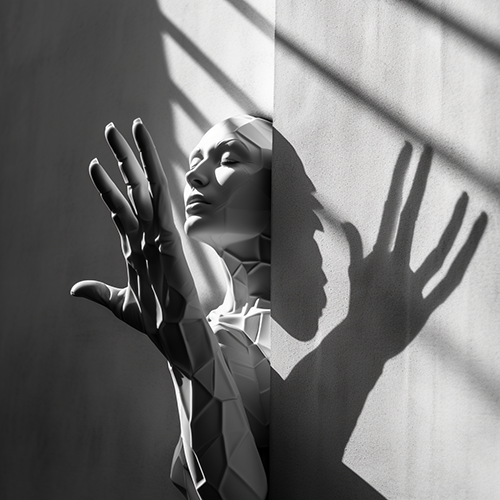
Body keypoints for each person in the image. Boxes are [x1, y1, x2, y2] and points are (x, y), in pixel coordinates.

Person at [71, 115, 272, 500]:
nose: (195, 176)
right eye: (195, 161)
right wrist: (183, 341)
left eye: (230, 159)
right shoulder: (216, 327)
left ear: (275, 189)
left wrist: (191, 348)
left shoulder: (238, 337)